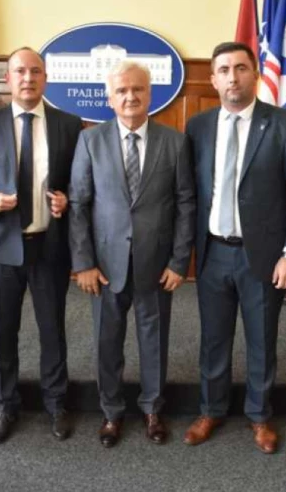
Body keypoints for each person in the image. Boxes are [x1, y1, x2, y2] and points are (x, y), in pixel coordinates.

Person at [182, 41, 286, 454]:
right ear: (213, 79)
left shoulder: (283, 124)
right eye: (224, 70)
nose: (232, 77)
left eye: (240, 68)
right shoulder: (198, 126)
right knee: (213, 339)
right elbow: (189, 191)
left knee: (261, 339)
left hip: (263, 256)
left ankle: (259, 415)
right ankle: (211, 409)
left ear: (255, 74)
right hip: (212, 253)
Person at [0, 47, 83, 444]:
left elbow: (80, 182)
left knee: (53, 330)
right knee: (3, 332)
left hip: (50, 246)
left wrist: (67, 199)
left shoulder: (68, 124)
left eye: (35, 71)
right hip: (1, 248)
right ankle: (5, 403)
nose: (28, 78)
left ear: (45, 78)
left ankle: (56, 403)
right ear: (8, 78)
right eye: (20, 72)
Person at [68, 61, 195, 448]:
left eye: (137, 89)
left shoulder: (174, 142)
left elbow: (185, 204)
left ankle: (153, 408)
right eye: (121, 91)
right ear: (109, 99)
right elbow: (79, 204)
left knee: (154, 342)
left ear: (149, 94)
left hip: (156, 267)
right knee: (107, 342)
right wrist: (83, 264)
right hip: (105, 267)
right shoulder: (90, 141)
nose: (130, 96)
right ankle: (111, 411)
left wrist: (179, 262)